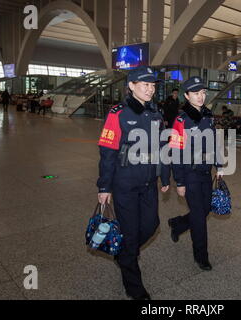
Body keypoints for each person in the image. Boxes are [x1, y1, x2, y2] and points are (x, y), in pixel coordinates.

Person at [96, 66, 170, 300]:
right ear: (131, 86)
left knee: (151, 225)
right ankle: (134, 287)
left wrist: (165, 176)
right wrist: (104, 186)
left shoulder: (155, 114)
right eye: (145, 85)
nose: (150, 90)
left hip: (149, 181)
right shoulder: (118, 113)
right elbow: (107, 151)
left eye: (153, 86)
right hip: (125, 182)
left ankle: (124, 254)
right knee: (129, 232)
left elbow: (161, 148)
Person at [167, 76, 223, 272]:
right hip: (189, 174)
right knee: (199, 217)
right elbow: (175, 151)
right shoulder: (181, 120)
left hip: (205, 171)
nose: (201, 97)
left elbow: (214, 143)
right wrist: (179, 181)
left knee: (206, 209)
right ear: (187, 96)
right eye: (196, 93)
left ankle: (179, 223)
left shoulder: (208, 116)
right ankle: (201, 256)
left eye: (203, 93)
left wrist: (219, 166)